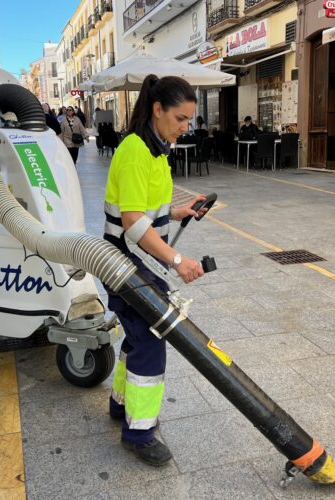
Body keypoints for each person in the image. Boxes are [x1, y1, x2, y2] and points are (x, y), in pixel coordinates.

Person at [104, 74, 208, 466]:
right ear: (157, 110)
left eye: (189, 121)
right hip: (119, 262)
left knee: (136, 335)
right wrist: (177, 261)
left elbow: (146, 210)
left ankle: (120, 405)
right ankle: (139, 432)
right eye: (180, 118)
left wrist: (181, 211)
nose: (185, 127)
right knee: (151, 338)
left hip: (134, 260)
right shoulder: (135, 150)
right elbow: (132, 222)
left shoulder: (157, 151)